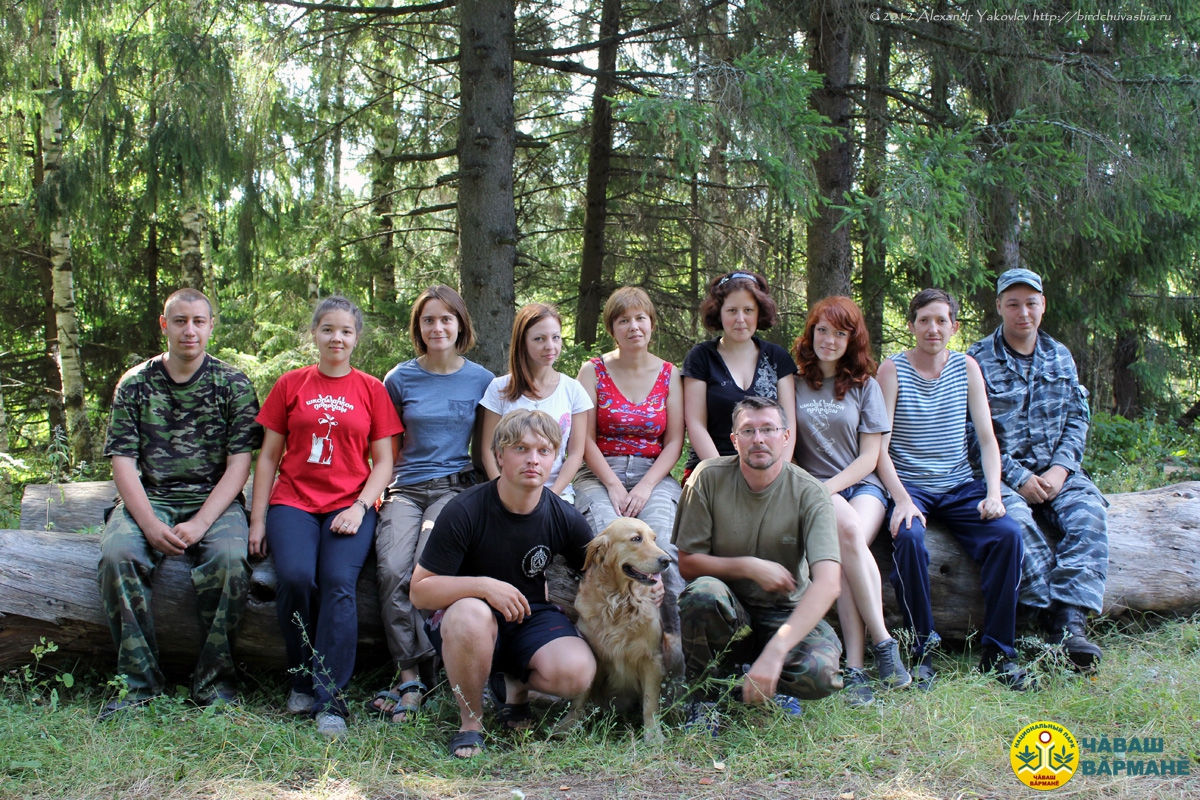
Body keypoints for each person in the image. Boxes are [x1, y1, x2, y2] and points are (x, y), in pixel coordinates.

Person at [97, 288, 262, 719]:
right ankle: (138, 685)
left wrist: (203, 523)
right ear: (164, 324)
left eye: (199, 321)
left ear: (211, 326)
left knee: (230, 560)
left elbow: (239, 465)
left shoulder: (234, 384)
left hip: (215, 500)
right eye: (180, 321)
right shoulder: (135, 383)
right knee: (118, 555)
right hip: (149, 497)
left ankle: (214, 683)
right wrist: (149, 524)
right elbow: (123, 462)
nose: (190, 330)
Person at [249, 295, 403, 738]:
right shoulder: (290, 384)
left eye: (346, 331)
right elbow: (268, 458)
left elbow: (384, 463)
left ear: (356, 338)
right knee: (296, 577)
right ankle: (300, 678)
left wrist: (359, 507)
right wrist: (258, 520)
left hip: (349, 505)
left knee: (339, 583)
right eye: (328, 329)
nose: (337, 337)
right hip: (293, 502)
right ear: (314, 334)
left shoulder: (372, 389)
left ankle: (330, 697)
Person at [410, 409, 596, 759]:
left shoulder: (563, 516)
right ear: (499, 455)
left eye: (543, 451)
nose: (533, 460)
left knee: (578, 672)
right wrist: (481, 586)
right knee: (471, 613)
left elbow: (597, 570)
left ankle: (514, 685)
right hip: (465, 621)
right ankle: (471, 723)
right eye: (521, 449)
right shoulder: (465, 510)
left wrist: (646, 582)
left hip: (529, 616)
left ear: (555, 457)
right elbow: (420, 590)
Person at [876, 289, 1032, 691]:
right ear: (911, 325)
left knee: (1009, 535)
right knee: (909, 538)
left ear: (954, 327)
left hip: (959, 484)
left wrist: (994, 494)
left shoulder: (967, 368)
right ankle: (922, 651)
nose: (933, 328)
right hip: (911, 485)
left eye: (941, 320)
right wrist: (903, 500)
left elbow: (986, 439)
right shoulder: (892, 370)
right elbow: (879, 447)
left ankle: (998, 653)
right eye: (924, 320)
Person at [673, 396, 843, 727]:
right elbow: (688, 564)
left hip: (784, 614)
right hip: (727, 611)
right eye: (748, 431)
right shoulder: (707, 478)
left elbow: (829, 583)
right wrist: (748, 566)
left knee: (821, 674)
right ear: (734, 440)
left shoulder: (810, 493)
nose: (759, 439)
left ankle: (761, 680)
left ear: (786, 436)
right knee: (702, 593)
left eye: (768, 429)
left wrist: (777, 651)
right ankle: (704, 696)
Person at [368, 285, 495, 724]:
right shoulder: (399, 378)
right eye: (428, 320)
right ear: (418, 328)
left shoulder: (481, 379)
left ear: (460, 324)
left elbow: (485, 448)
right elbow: (387, 447)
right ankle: (410, 673)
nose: (437, 327)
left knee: (428, 567)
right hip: (406, 489)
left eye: (446, 319)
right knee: (391, 568)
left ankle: (436, 671)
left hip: (455, 489)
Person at [968, 268, 1108, 669]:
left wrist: (1062, 470)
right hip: (1002, 476)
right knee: (1015, 526)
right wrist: (1018, 478)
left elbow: (1078, 420)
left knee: (1090, 515)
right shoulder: (977, 360)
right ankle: (1054, 620)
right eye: (1013, 304)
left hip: (1058, 472)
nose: (1023, 312)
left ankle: (1070, 622)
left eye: (1031, 303)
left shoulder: (1060, 356)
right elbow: (971, 436)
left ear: (1042, 306)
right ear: (999, 307)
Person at [791, 296, 911, 707]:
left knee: (848, 537)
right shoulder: (790, 384)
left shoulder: (867, 386)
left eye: (840, 333)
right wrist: (816, 489)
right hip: (813, 484)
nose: (829, 339)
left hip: (863, 487)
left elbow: (870, 457)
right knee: (845, 539)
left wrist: (830, 489)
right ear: (811, 334)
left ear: (851, 339)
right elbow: (788, 449)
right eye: (822, 330)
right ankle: (878, 649)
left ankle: (860, 665)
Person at [574, 287, 685, 599]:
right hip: (599, 472)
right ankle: (609, 634)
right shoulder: (592, 371)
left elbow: (675, 441)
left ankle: (673, 637)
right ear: (612, 329)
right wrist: (612, 485)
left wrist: (646, 486)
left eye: (640, 318)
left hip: (654, 473)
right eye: (624, 320)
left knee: (661, 539)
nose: (633, 326)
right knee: (608, 537)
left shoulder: (669, 374)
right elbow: (584, 438)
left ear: (651, 323)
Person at [683, 271, 797, 478]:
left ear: (759, 313)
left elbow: (788, 424)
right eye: (732, 310)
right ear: (719, 313)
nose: (740, 319)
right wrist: (721, 475)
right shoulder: (701, 357)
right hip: (712, 468)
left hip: (767, 469)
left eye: (748, 310)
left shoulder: (777, 358)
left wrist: (778, 473)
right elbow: (696, 425)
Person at [480, 303, 592, 499]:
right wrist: (501, 493)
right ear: (523, 342)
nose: (550, 346)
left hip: (557, 495)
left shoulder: (573, 390)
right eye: (540, 339)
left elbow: (575, 454)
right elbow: (488, 450)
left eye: (555, 337)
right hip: (507, 495)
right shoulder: (499, 388)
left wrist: (552, 497)